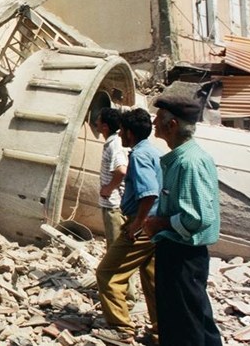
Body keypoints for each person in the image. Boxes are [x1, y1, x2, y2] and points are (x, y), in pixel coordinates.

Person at [144, 95, 222, 346]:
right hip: (183, 255)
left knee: (183, 326)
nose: (154, 123)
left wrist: (160, 223)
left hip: (182, 256)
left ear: (172, 124)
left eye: (158, 118)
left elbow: (198, 217)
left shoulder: (189, 163)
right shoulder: (184, 158)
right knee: (195, 319)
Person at [94, 108, 161, 345]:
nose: (120, 133)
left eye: (123, 130)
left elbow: (149, 193)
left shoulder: (140, 156)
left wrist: (137, 224)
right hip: (155, 227)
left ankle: (121, 329)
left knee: (107, 273)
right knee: (152, 280)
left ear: (130, 133)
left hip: (142, 226)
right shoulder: (152, 152)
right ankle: (159, 331)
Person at [96, 107, 138, 304]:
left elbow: (121, 170)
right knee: (115, 249)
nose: (95, 124)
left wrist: (108, 189)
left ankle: (125, 295)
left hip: (113, 205)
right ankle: (122, 290)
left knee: (116, 250)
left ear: (104, 125)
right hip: (113, 203)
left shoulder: (114, 144)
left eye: (98, 121)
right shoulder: (113, 142)